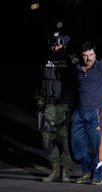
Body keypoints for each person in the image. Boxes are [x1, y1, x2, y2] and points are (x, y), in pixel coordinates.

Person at [70, 42, 102, 185]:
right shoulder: (77, 68)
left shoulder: (101, 67)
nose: (88, 58)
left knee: (98, 145)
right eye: (85, 55)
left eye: (91, 55)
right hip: (79, 112)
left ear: (95, 55)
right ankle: (86, 171)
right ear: (81, 56)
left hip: (97, 111)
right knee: (76, 144)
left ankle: (97, 175)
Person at [35, 32, 77, 183]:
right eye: (53, 44)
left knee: (66, 141)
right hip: (49, 106)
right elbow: (39, 83)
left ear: (63, 44)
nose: (54, 47)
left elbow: (79, 82)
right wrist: (39, 102)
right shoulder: (45, 59)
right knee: (46, 140)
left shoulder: (71, 60)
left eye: (57, 44)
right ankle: (55, 169)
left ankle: (65, 171)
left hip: (65, 106)